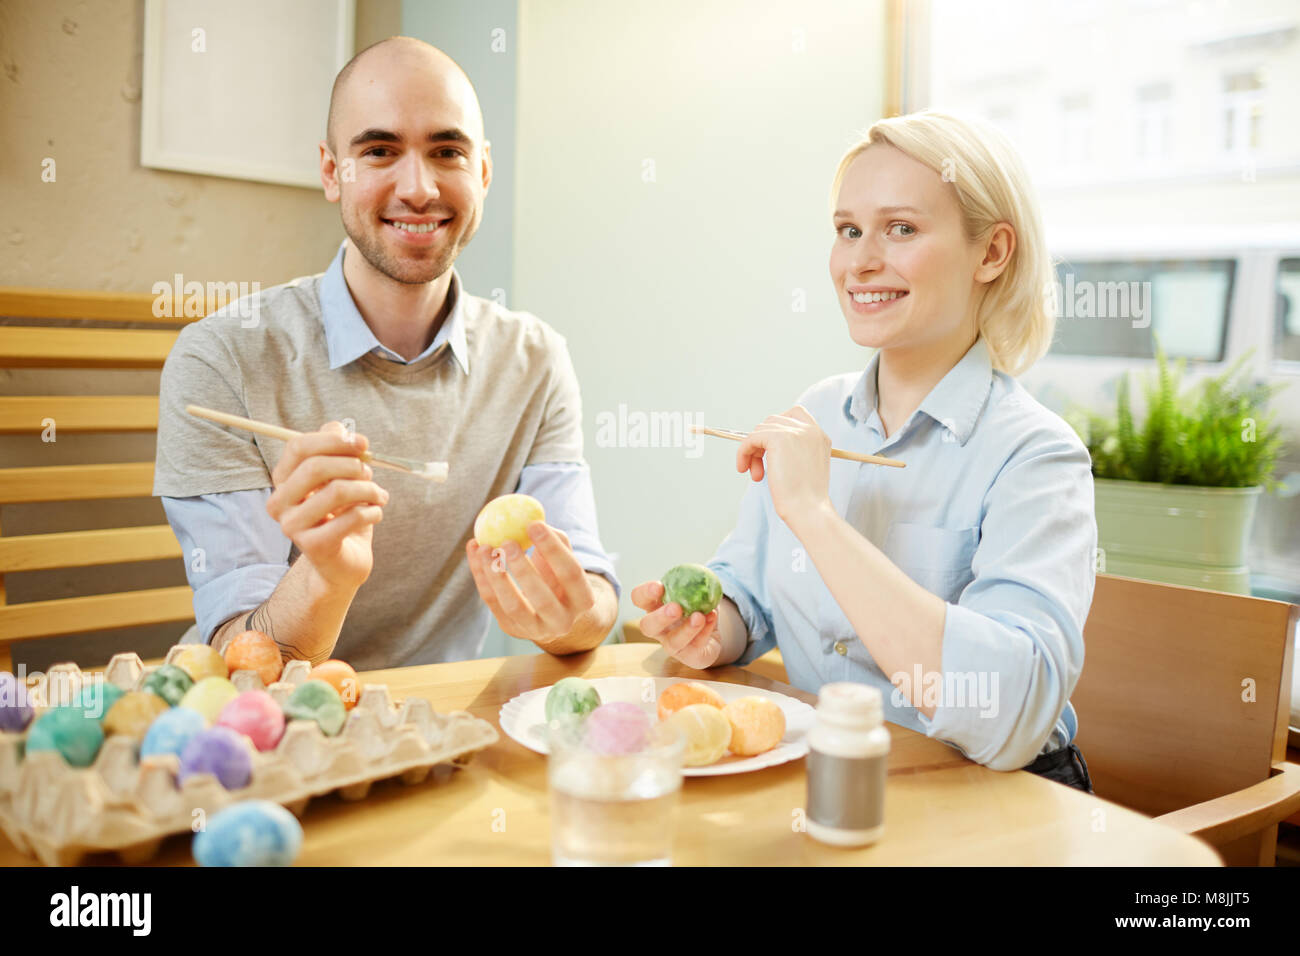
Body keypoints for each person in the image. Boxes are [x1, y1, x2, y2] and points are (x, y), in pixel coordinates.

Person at [632, 111, 1098, 791]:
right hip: (838, 780)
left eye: (901, 229)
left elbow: (1007, 716)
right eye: (848, 230)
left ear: (992, 253)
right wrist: (711, 625)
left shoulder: (1037, 457)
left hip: (993, 798)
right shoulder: (818, 413)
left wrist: (816, 517)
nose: (860, 260)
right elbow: (751, 597)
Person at [154, 37, 620, 670]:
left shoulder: (535, 361)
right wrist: (328, 576)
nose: (419, 188)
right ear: (330, 172)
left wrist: (570, 617)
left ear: (481, 172)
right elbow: (250, 664)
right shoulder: (221, 360)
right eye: (379, 151)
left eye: (446, 151)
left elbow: (591, 595)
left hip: (442, 733)